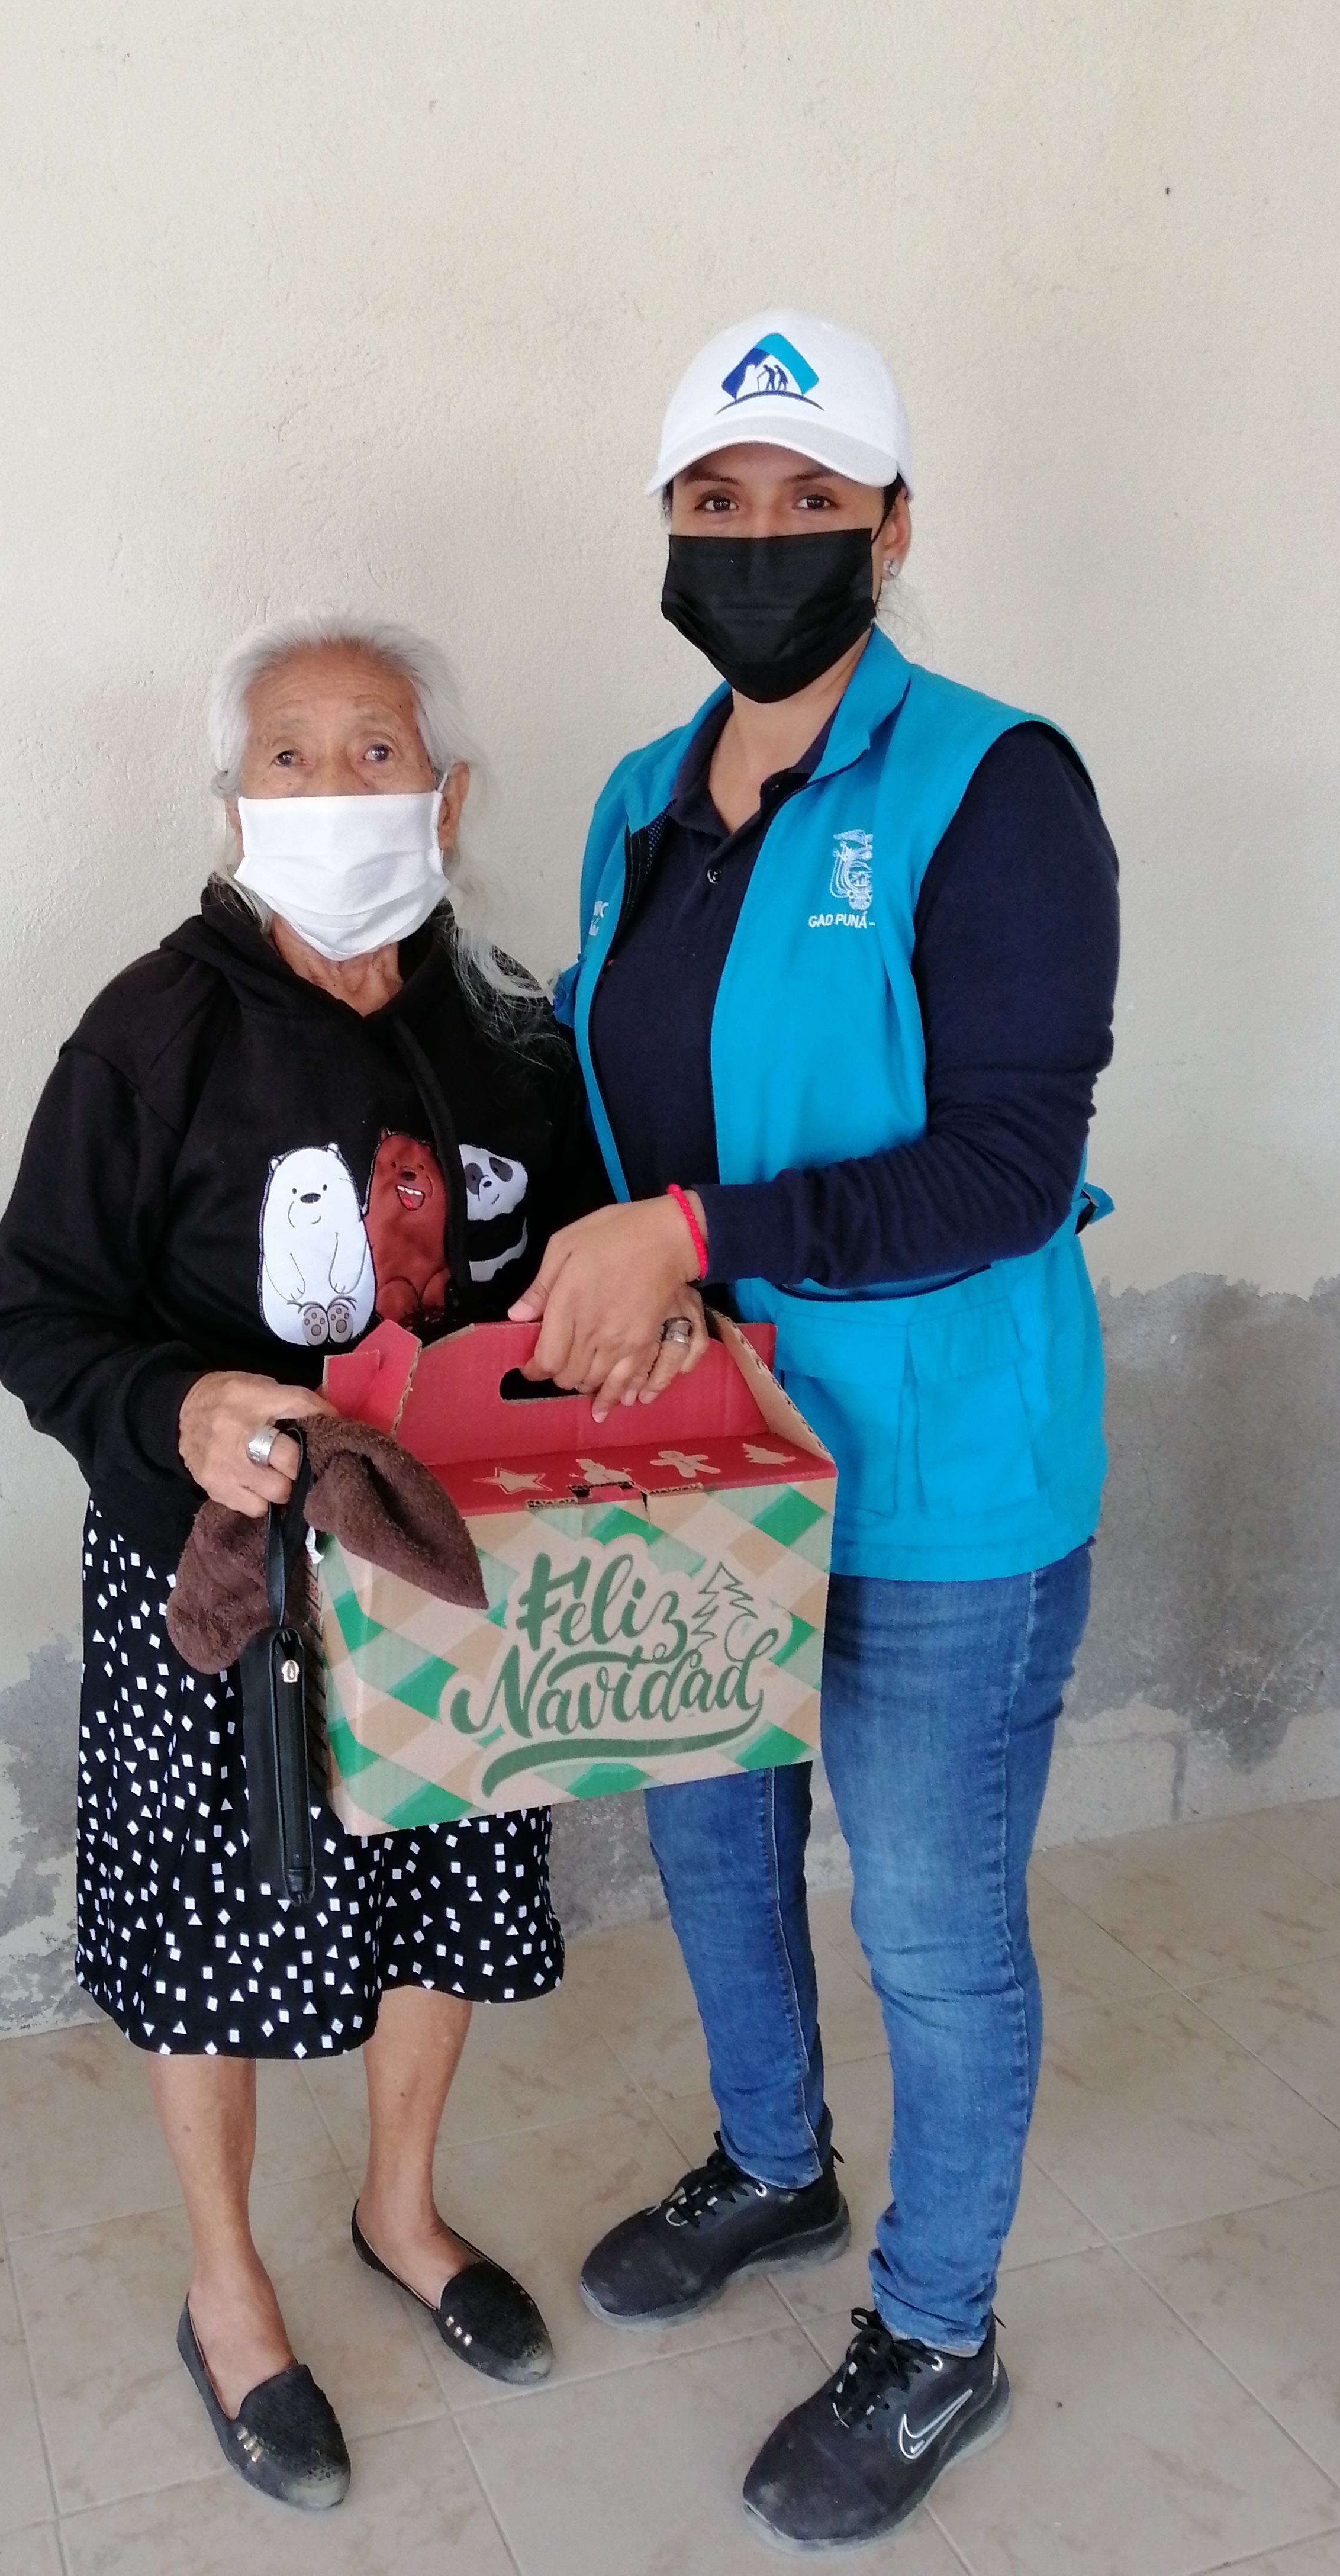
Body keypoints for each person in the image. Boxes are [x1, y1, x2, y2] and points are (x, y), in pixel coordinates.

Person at [511, 310, 1119, 2549]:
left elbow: (1007, 1170)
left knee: (934, 1929)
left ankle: (939, 2332)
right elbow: (612, 1104)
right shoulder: (633, 806)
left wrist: (695, 1230)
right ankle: (774, 2164)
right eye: (716, 500)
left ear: (890, 525)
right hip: (697, 1455)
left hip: (942, 1477)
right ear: (669, 527)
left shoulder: (995, 786)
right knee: (711, 1843)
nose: (758, 537)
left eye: (807, 499)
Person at [0, 617, 644, 2511]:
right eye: (291, 753)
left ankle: (400, 2211)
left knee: (440, 1888)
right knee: (215, 1932)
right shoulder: (149, 1031)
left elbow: (582, 1267)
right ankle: (227, 2287)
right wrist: (173, 1404)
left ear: (450, 795)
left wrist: (636, 1333)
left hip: (446, 1566)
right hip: (222, 1583)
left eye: (377, 749)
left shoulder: (514, 1034)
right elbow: (32, 1311)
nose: (336, 785)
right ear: (232, 803)